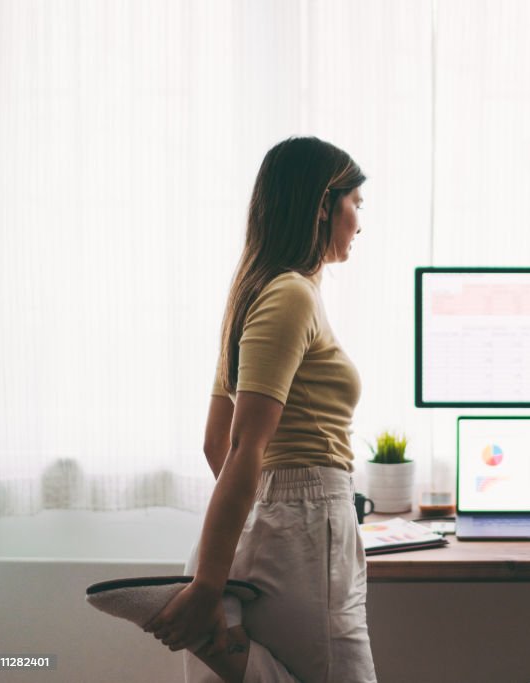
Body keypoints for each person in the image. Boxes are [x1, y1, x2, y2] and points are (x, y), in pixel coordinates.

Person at [143, 136, 376, 683]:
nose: (360, 222)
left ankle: (215, 635)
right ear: (324, 204)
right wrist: (207, 582)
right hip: (303, 525)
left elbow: (214, 444)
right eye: (356, 204)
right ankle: (205, 618)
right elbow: (245, 446)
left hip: (283, 522)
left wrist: (252, 525)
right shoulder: (291, 294)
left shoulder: (257, 291)